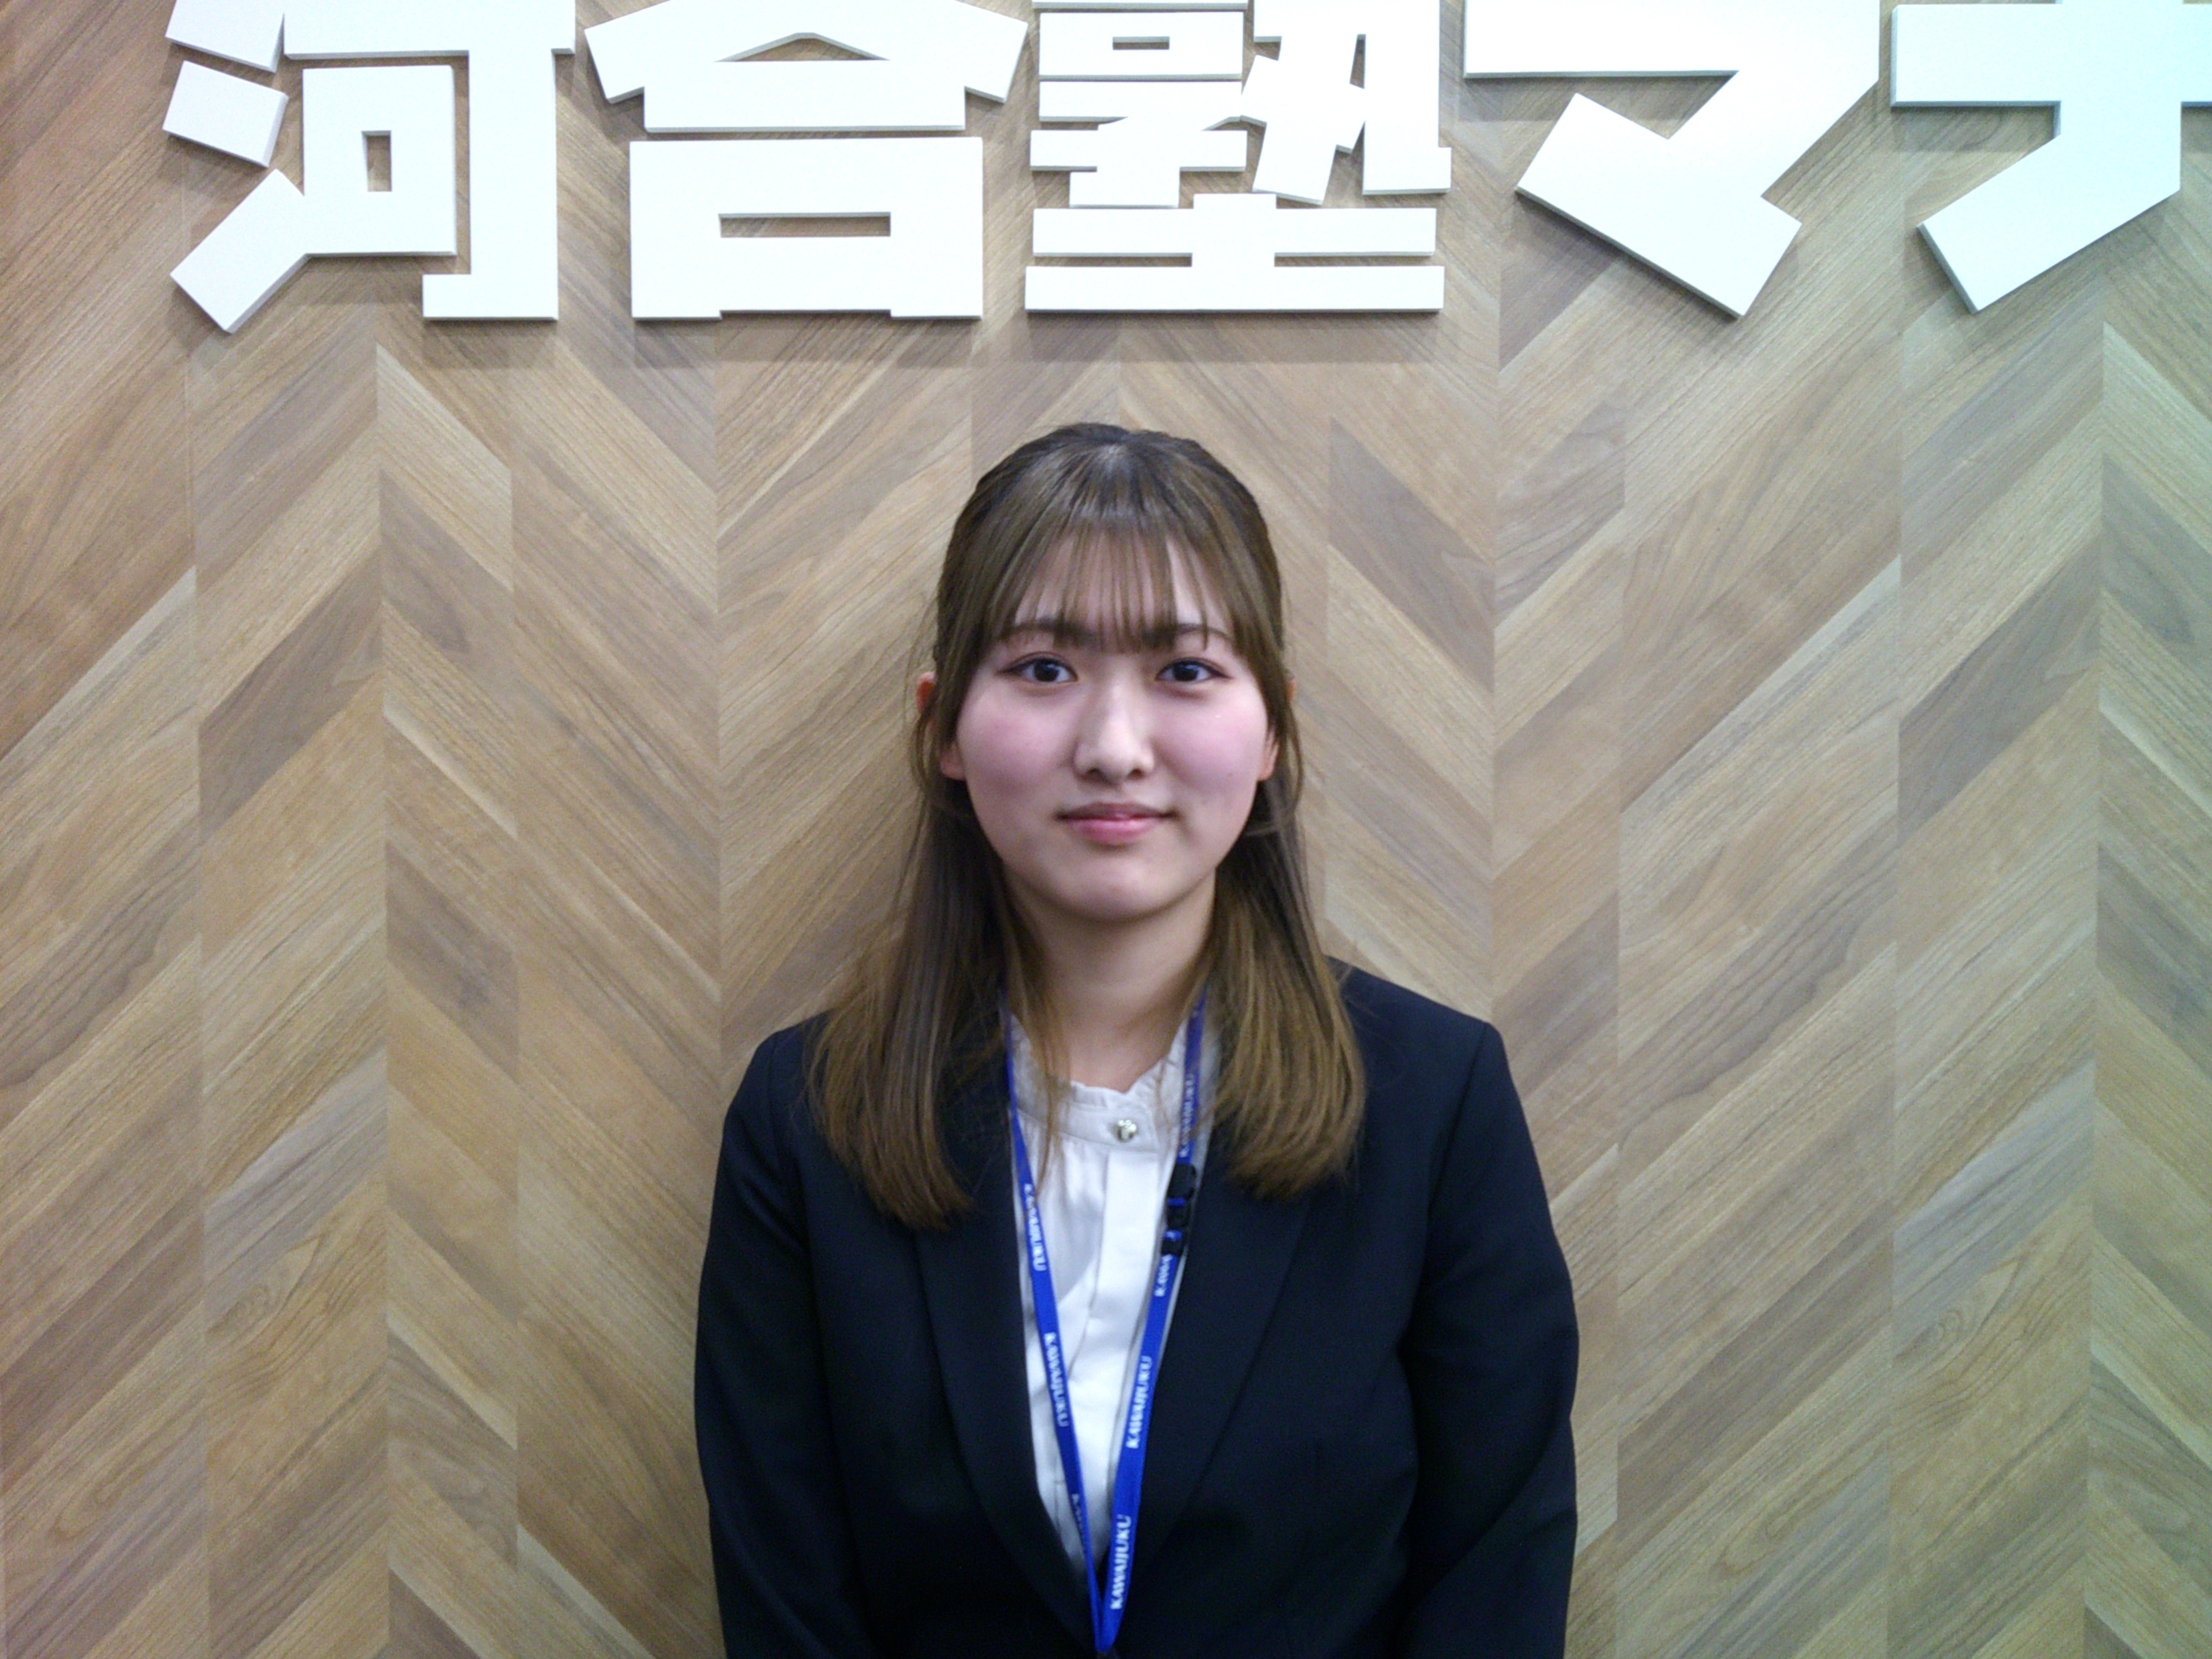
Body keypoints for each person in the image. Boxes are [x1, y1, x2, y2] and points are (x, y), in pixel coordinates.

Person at [696, 424, 1578, 1658]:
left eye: (1186, 670)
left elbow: (1498, 1570)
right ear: (943, 728)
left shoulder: (1436, 1102)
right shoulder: (808, 1117)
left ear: (1272, 732)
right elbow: (787, 1602)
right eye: (1045, 667)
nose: (1115, 748)